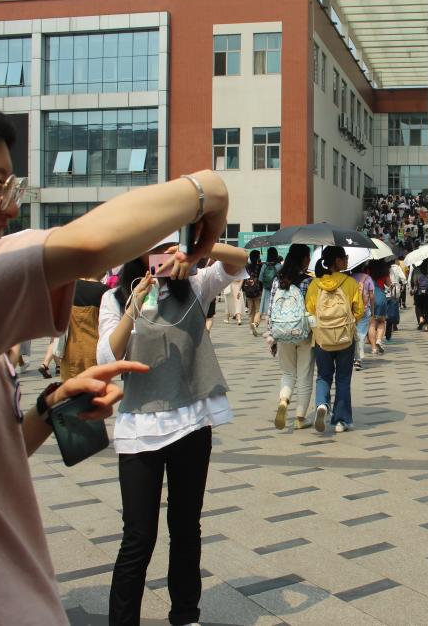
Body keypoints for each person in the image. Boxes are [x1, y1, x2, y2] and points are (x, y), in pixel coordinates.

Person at [0, 84, 231, 623]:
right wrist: (207, 189)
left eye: (13, 184)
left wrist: (48, 410)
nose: (12, 205)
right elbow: (87, 244)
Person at [99, 234, 248, 625]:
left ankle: (185, 615)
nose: (161, 255)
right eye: (154, 247)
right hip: (139, 427)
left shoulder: (194, 287)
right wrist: (134, 305)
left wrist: (197, 250)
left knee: (185, 527)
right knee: (138, 537)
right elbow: (108, 356)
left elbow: (239, 259)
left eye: (168, 246)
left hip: (190, 422)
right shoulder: (114, 298)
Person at [305, 246, 364, 434]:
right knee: (343, 378)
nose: (347, 260)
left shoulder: (315, 284)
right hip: (345, 337)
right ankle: (341, 420)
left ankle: (322, 405)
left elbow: (310, 310)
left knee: (323, 376)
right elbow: (359, 311)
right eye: (344, 257)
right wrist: (349, 323)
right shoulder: (350, 283)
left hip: (322, 338)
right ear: (337, 261)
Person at [271, 244, 315, 431]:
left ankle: (284, 400)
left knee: (288, 373)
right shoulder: (308, 281)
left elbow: (271, 308)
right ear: (304, 259)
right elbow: (312, 309)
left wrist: (273, 336)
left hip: (282, 333)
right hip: (304, 334)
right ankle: (300, 418)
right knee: (304, 376)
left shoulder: (278, 280)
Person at [58, 274, 111, 381]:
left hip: (70, 351)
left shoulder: (69, 287)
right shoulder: (105, 292)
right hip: (95, 351)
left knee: (72, 388)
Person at [351, 261, 375, 370]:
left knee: (352, 333)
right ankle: (358, 359)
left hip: (352, 310)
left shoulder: (349, 278)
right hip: (364, 309)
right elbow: (371, 296)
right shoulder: (367, 278)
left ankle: (352, 356)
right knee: (361, 334)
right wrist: (373, 311)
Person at [242, 249, 263, 335]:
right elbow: (261, 279)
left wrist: (243, 288)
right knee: (258, 310)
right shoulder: (260, 266)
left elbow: (243, 278)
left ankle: (251, 329)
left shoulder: (246, 266)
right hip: (257, 290)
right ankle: (255, 324)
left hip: (248, 290)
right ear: (258, 257)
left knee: (250, 311)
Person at [410, 257, 428, 332]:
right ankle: (426, 327)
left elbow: (413, 281)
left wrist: (413, 288)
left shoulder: (416, 269)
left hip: (418, 290)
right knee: (427, 307)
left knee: (418, 306)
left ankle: (420, 318)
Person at [258, 246, 281, 321]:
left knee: (267, 309)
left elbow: (260, 279)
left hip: (266, 290)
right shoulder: (279, 266)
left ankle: (267, 322)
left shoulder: (264, 265)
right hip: (277, 290)